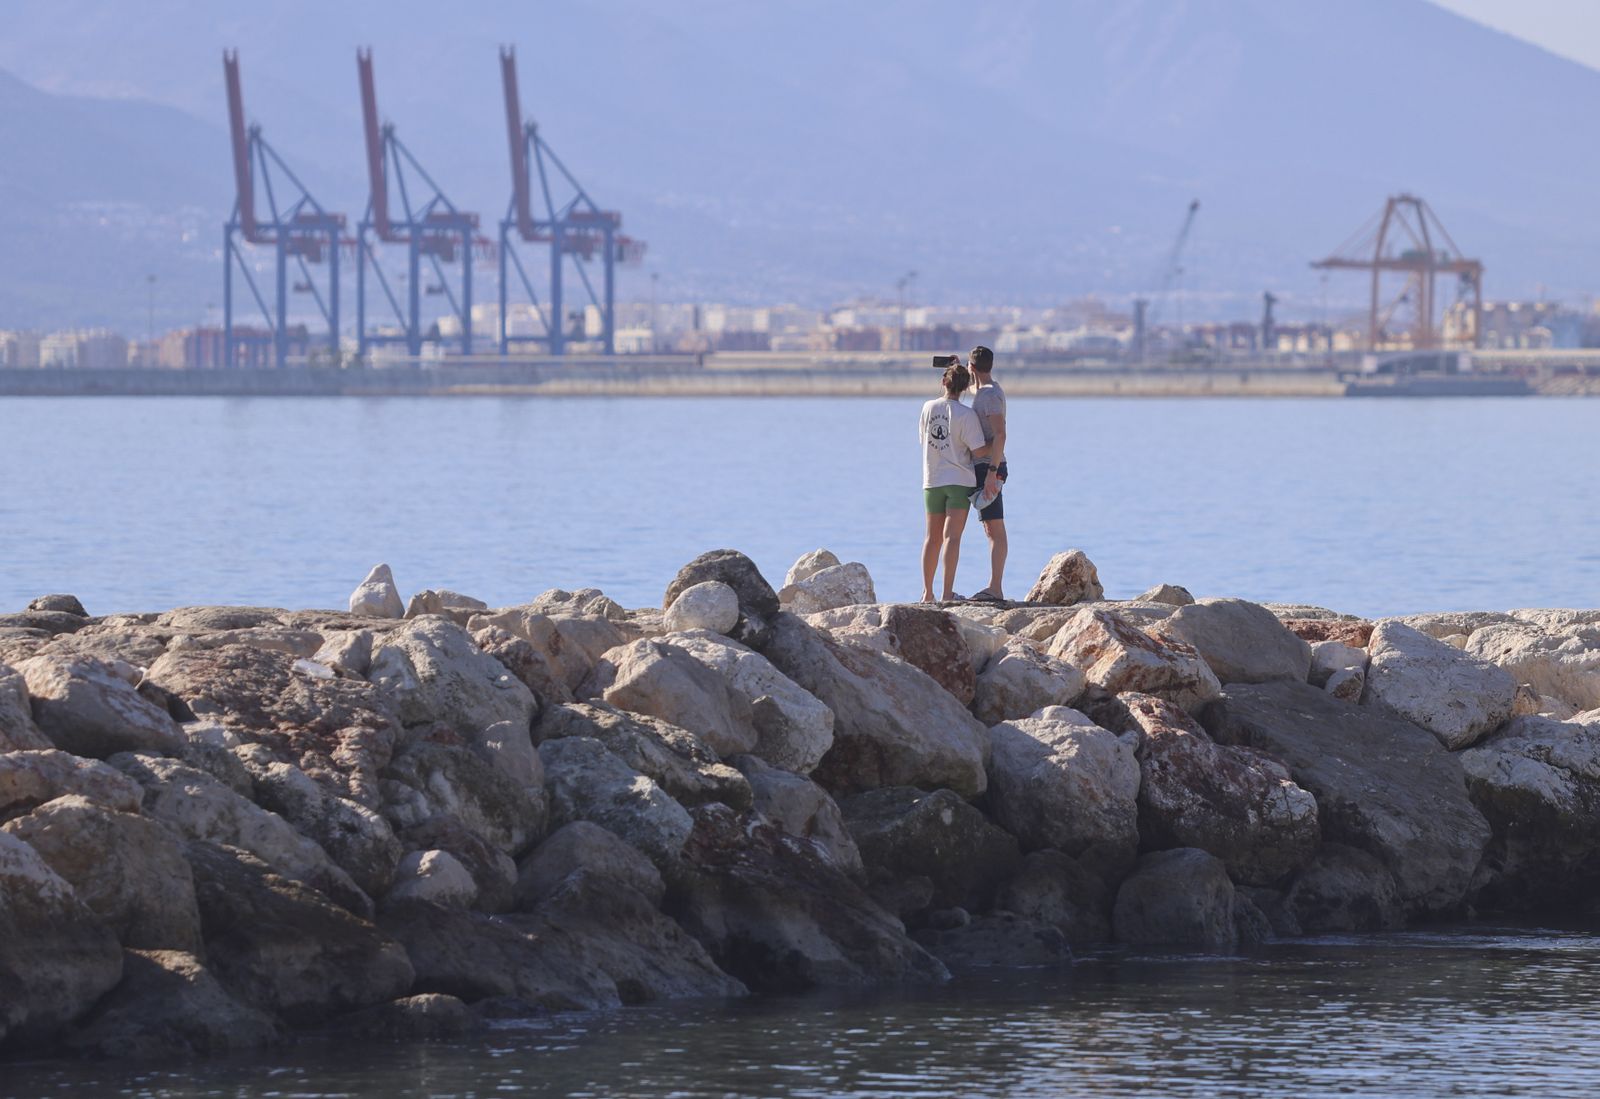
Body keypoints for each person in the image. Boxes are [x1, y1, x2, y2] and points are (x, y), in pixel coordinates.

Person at [920, 361, 993, 602]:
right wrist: (998, 441)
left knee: (932, 538)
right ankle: (947, 593)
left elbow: (924, 440)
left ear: (943, 382)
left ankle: (927, 593)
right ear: (965, 388)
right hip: (959, 482)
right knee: (952, 537)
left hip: (932, 481)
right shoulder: (966, 414)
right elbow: (979, 451)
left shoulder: (928, 407)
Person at [967, 345, 1009, 601]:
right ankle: (994, 586)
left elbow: (1001, 434)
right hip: (985, 466)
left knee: (995, 529)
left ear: (973, 367)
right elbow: (976, 393)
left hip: (990, 467)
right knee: (990, 529)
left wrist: (992, 472)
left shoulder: (990, 396)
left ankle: (995, 588)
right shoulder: (985, 392)